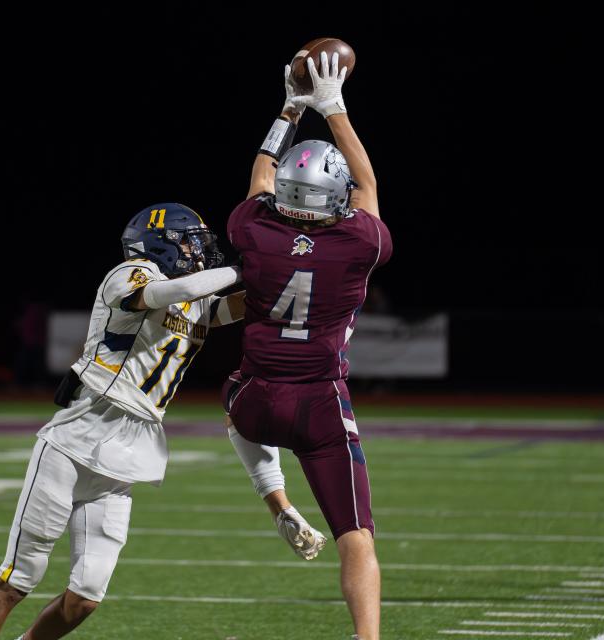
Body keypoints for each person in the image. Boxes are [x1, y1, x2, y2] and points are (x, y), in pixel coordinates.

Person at [0, 203, 320, 639]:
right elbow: (175, 291)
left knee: (86, 597)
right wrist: (241, 267)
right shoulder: (131, 273)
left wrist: (293, 270)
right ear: (161, 243)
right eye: (189, 242)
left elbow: (242, 306)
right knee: (17, 579)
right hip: (78, 437)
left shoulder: (194, 299)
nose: (197, 252)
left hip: (130, 449)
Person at [221, 52, 392, 639]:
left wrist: (290, 108)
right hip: (320, 404)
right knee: (356, 539)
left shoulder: (255, 230)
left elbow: (262, 175)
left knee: (236, 403)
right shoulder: (358, 243)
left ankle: (277, 504)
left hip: (256, 401)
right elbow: (368, 184)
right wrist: (334, 108)